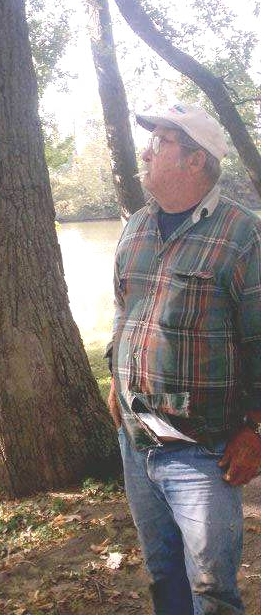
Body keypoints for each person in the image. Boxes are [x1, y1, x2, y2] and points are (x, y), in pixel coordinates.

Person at [107, 102, 261, 614]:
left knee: (212, 590)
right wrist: (114, 381)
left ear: (195, 160)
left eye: (161, 141)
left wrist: (254, 428)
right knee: (162, 574)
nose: (146, 151)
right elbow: (124, 310)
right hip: (136, 441)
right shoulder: (136, 226)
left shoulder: (243, 234)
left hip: (202, 450)